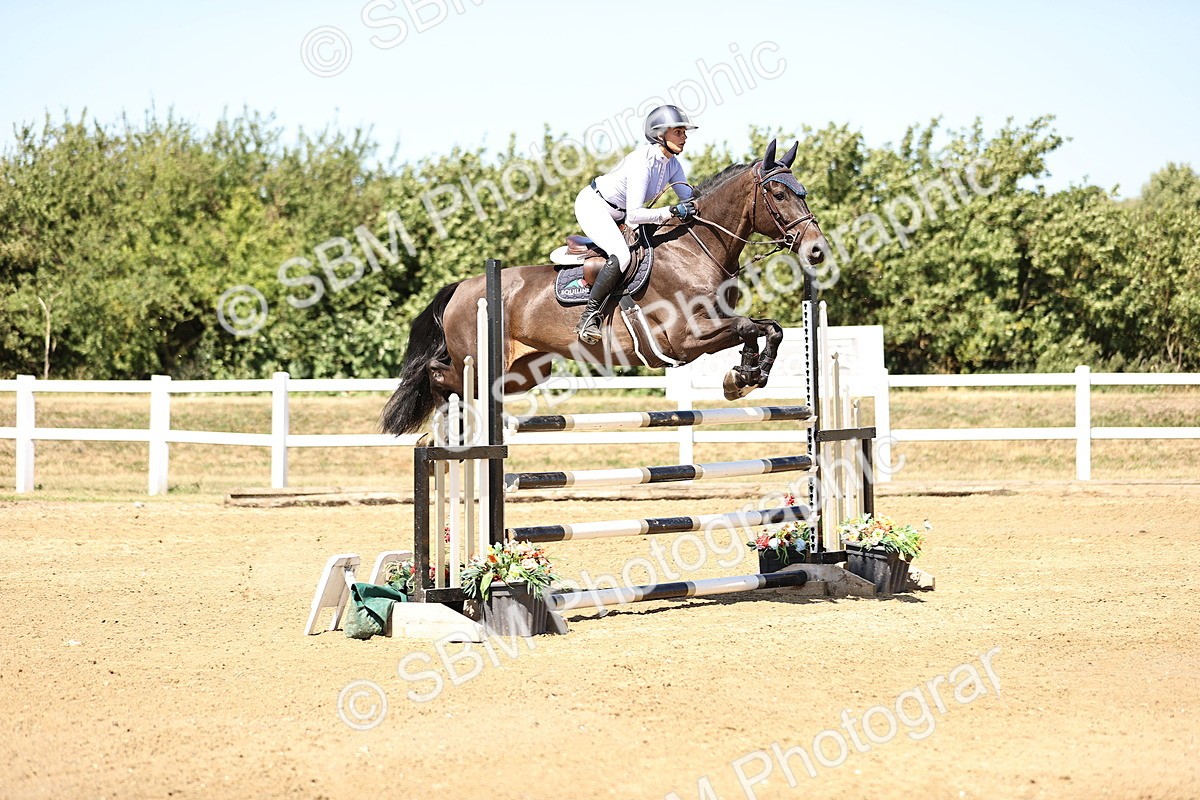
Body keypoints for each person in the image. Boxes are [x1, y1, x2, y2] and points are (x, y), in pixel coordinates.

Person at [573, 104, 699, 344]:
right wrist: (671, 211)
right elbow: (634, 216)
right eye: (678, 132)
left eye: (684, 133)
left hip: (620, 212)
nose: (684, 138)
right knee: (622, 255)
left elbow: (688, 197)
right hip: (595, 206)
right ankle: (589, 317)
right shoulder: (643, 161)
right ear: (660, 134)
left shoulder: (672, 164)